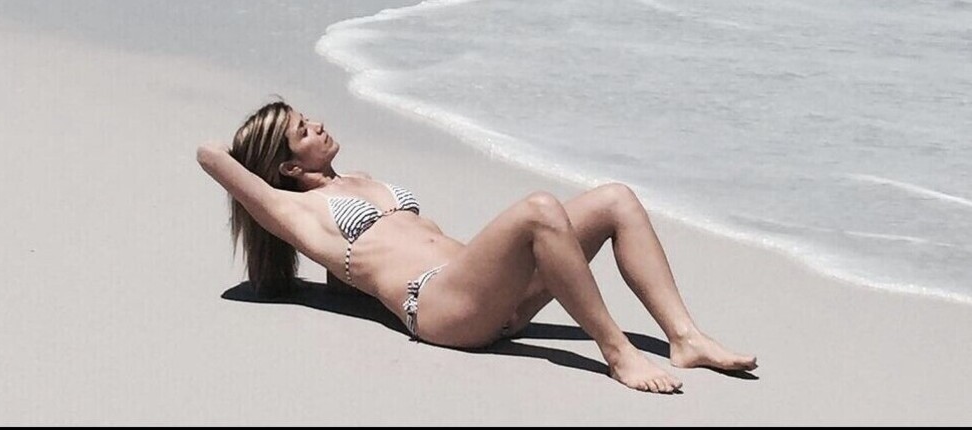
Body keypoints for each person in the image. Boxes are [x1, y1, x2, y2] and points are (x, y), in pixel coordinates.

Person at [196, 99, 757, 394]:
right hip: (440, 308)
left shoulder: (360, 178)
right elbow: (210, 155)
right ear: (290, 168)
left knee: (615, 199)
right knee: (539, 209)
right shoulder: (295, 211)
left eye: (307, 118)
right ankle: (618, 353)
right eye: (302, 131)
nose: (318, 125)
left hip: (489, 293)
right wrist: (253, 152)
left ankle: (685, 338)